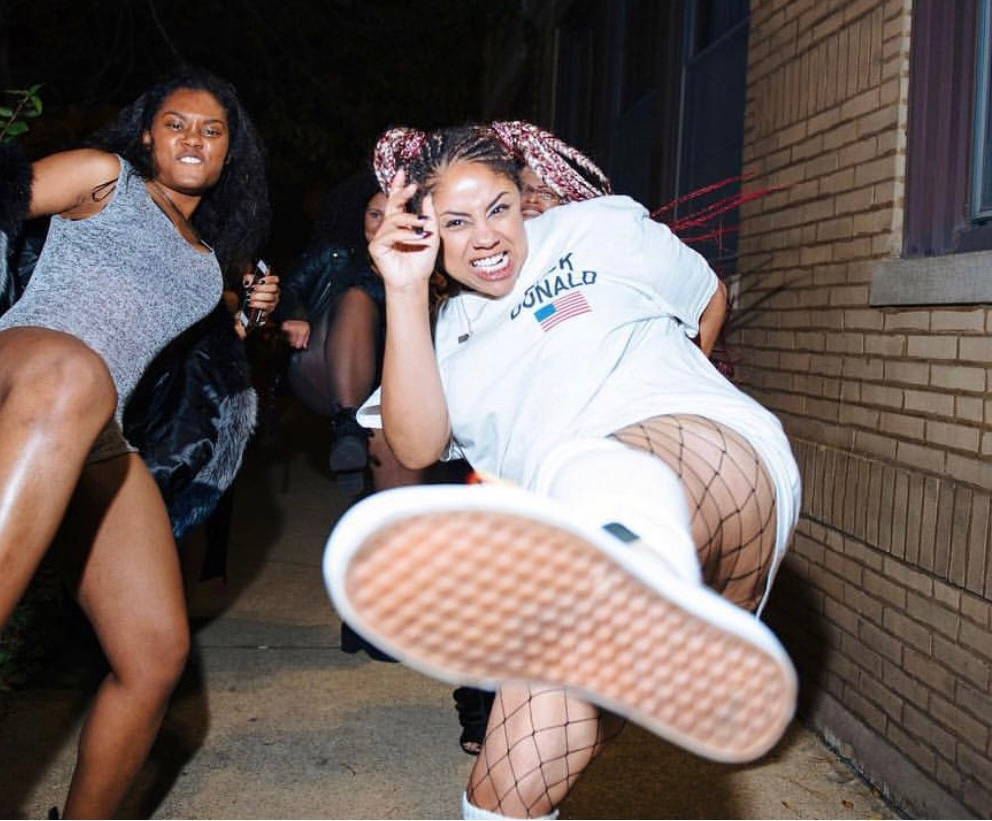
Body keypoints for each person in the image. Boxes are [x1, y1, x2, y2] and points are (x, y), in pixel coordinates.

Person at [322, 124, 801, 819]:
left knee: (605, 462)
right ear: (426, 232)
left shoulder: (598, 228)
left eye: (498, 208)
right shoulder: (441, 336)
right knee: (504, 793)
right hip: (581, 557)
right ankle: (631, 593)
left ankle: (639, 564)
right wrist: (402, 288)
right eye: (456, 222)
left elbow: (707, 298)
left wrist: (666, 383)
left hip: (715, 463)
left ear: (522, 199)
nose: (485, 237)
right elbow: (415, 446)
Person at [0, 66, 272, 819]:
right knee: (73, 370)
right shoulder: (104, 177)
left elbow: (208, 347)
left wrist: (251, 312)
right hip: (3, 377)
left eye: (212, 130)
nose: (193, 138)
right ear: (148, 135)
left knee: (155, 656)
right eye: (176, 123)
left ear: (229, 154)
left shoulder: (205, 264)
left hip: (93, 431)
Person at [449, 120, 613, 756]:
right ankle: (481, 704)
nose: (538, 202)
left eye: (551, 190)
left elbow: (707, 299)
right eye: (526, 192)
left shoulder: (596, 268)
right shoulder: (484, 282)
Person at [277, 171, 423, 497]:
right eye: (375, 214)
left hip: (387, 389)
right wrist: (295, 315)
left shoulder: (422, 266)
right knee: (357, 299)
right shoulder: (334, 254)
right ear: (360, 216)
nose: (383, 224)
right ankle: (348, 426)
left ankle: (388, 517)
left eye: (394, 215)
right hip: (321, 367)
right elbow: (287, 289)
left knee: (398, 466)